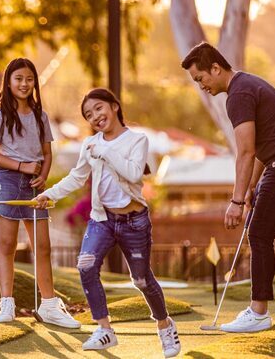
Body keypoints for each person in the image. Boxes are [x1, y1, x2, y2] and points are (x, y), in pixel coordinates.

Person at [180, 42, 275, 333]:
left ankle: (259, 312)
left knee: (259, 233)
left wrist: (237, 201)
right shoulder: (247, 84)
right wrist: (251, 188)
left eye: (200, 78)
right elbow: (264, 148)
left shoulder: (238, 94)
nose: (201, 85)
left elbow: (246, 152)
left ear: (215, 68)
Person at [33, 88, 181, 356]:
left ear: (114, 106)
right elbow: (76, 177)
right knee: (85, 265)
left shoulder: (137, 140)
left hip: (134, 221)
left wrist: (105, 151)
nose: (95, 117)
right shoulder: (91, 145)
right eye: (89, 115)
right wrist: (48, 194)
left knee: (141, 279)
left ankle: (165, 325)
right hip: (102, 220)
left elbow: (134, 174)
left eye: (99, 108)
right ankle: (104, 329)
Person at [0, 57, 80, 329]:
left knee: (43, 246)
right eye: (18, 79)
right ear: (9, 82)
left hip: (34, 184)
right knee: (8, 245)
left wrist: (43, 176)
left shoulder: (40, 116)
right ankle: (6, 303)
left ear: (35, 82)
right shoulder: (0, 115)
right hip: (8, 182)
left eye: (29, 79)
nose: (24, 84)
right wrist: (22, 165)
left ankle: (49, 305)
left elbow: (47, 154)